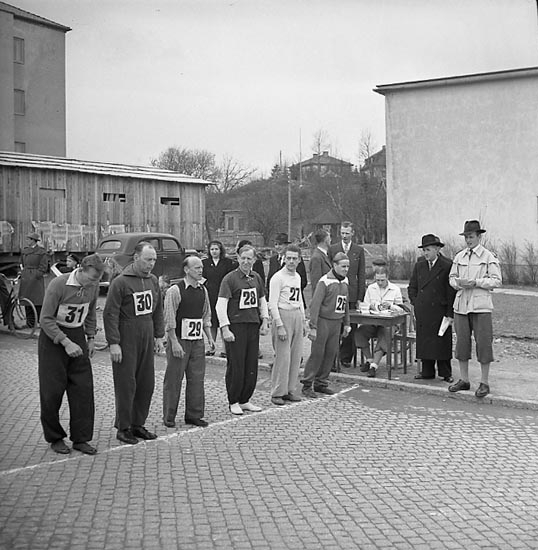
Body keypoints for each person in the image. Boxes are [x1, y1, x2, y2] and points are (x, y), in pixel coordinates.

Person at [38, 254, 105, 455]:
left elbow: (90, 312)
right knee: (52, 391)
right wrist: (65, 342)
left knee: (83, 389)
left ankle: (81, 438)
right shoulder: (58, 285)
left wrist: (90, 337)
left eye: (97, 280)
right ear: (81, 270)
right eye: (91, 278)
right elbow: (45, 319)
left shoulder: (92, 286)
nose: (93, 283)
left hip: (77, 335)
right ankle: (55, 437)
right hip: (53, 339)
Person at [103, 242, 165, 445]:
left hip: (146, 332)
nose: (151, 264)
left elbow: (157, 309)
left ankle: (138, 423)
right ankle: (123, 427)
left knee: (146, 383)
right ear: (136, 258)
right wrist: (114, 342)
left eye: (154, 260)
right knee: (126, 384)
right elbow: (110, 313)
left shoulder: (153, 280)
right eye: (148, 260)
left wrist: (159, 336)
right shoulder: (120, 282)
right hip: (127, 335)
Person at [448, 220, 502, 398]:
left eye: (471, 237)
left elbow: (497, 281)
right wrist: (458, 283)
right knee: (462, 343)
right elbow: (452, 277)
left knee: (484, 343)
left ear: (479, 237)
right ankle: (464, 380)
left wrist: (476, 282)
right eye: (466, 237)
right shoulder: (459, 256)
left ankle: (484, 382)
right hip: (461, 305)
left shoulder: (488, 257)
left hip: (481, 306)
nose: (468, 240)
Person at [216, 244, 270, 415]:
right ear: (238, 259)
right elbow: (220, 305)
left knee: (251, 364)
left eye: (249, 258)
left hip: (252, 325)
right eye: (243, 258)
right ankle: (233, 400)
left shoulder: (256, 277)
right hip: (236, 326)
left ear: (254, 260)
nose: (246, 261)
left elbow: (262, 300)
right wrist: (225, 328)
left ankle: (245, 399)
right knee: (236, 365)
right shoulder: (230, 279)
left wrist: (265, 320)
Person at [163, 256, 215, 428]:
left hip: (197, 340)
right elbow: (169, 318)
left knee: (197, 379)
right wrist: (173, 342)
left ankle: (194, 414)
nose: (200, 271)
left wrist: (209, 337)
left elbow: (205, 315)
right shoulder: (175, 291)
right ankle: (169, 416)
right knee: (174, 379)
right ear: (186, 270)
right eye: (196, 268)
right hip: (179, 339)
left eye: (201, 268)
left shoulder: (203, 290)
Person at [301, 252, 351, 398]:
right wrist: (313, 326)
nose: (346, 269)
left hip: (336, 322)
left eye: (347, 266)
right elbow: (315, 305)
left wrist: (347, 323)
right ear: (334, 265)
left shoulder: (345, 281)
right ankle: (307, 383)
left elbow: (345, 303)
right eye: (343, 266)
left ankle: (321, 382)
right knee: (317, 353)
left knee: (331, 353)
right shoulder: (325, 281)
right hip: (323, 321)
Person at [408, 234, 456, 383]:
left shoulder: (447, 265)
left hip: (440, 311)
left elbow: (451, 291)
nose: (425, 253)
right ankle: (427, 371)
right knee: (425, 341)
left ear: (437, 249)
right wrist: (416, 302)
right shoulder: (420, 265)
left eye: (428, 250)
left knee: (442, 341)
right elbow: (412, 286)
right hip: (423, 310)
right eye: (424, 250)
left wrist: (450, 313)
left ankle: (445, 373)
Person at [268, 244, 306, 405]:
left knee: (295, 356)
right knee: (283, 357)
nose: (291, 261)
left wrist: (303, 320)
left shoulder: (297, 277)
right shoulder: (277, 278)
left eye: (294, 258)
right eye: (288, 258)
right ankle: (278, 392)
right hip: (283, 315)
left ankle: (290, 389)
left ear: (299, 260)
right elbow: (272, 303)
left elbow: (300, 299)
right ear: (284, 259)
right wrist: (279, 325)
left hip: (296, 314)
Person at [329, 221, 366, 368]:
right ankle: (332, 356)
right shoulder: (333, 249)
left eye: (347, 233)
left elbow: (361, 275)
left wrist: (360, 298)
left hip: (352, 293)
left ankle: (345, 357)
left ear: (352, 233)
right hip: (336, 293)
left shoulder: (358, 250)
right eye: (342, 233)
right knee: (336, 325)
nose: (344, 236)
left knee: (350, 326)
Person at [355, 267, 404, 378]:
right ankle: (369, 359)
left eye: (382, 280)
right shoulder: (371, 288)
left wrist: (391, 306)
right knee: (359, 332)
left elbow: (401, 309)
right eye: (378, 280)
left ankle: (374, 366)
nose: (380, 283)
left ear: (387, 277)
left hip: (389, 324)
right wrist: (370, 306)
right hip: (373, 322)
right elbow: (365, 305)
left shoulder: (395, 289)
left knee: (385, 334)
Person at [202, 240, 235, 355]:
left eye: (216, 249)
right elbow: (201, 277)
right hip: (210, 295)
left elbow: (231, 278)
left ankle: (225, 350)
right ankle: (212, 347)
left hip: (223, 295)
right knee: (212, 322)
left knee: (223, 321)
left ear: (221, 250)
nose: (214, 251)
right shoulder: (205, 263)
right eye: (212, 249)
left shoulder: (228, 263)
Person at [267, 232, 307, 303]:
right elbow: (269, 280)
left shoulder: (295, 259)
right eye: (276, 244)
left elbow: (303, 281)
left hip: (292, 300)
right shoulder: (273, 260)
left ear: (287, 245)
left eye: (280, 244)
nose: (277, 247)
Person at [19, 232, 49, 326]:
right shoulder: (25, 251)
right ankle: (30, 323)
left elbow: (43, 267)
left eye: (28, 239)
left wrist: (36, 275)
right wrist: (23, 273)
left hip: (36, 280)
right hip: (26, 278)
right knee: (26, 300)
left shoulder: (41, 252)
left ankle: (39, 321)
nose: (27, 241)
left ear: (33, 240)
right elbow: (21, 263)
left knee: (37, 300)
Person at [308, 229, 332, 295]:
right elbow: (316, 282)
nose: (331, 240)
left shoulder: (325, 255)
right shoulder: (317, 258)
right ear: (326, 240)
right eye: (329, 238)